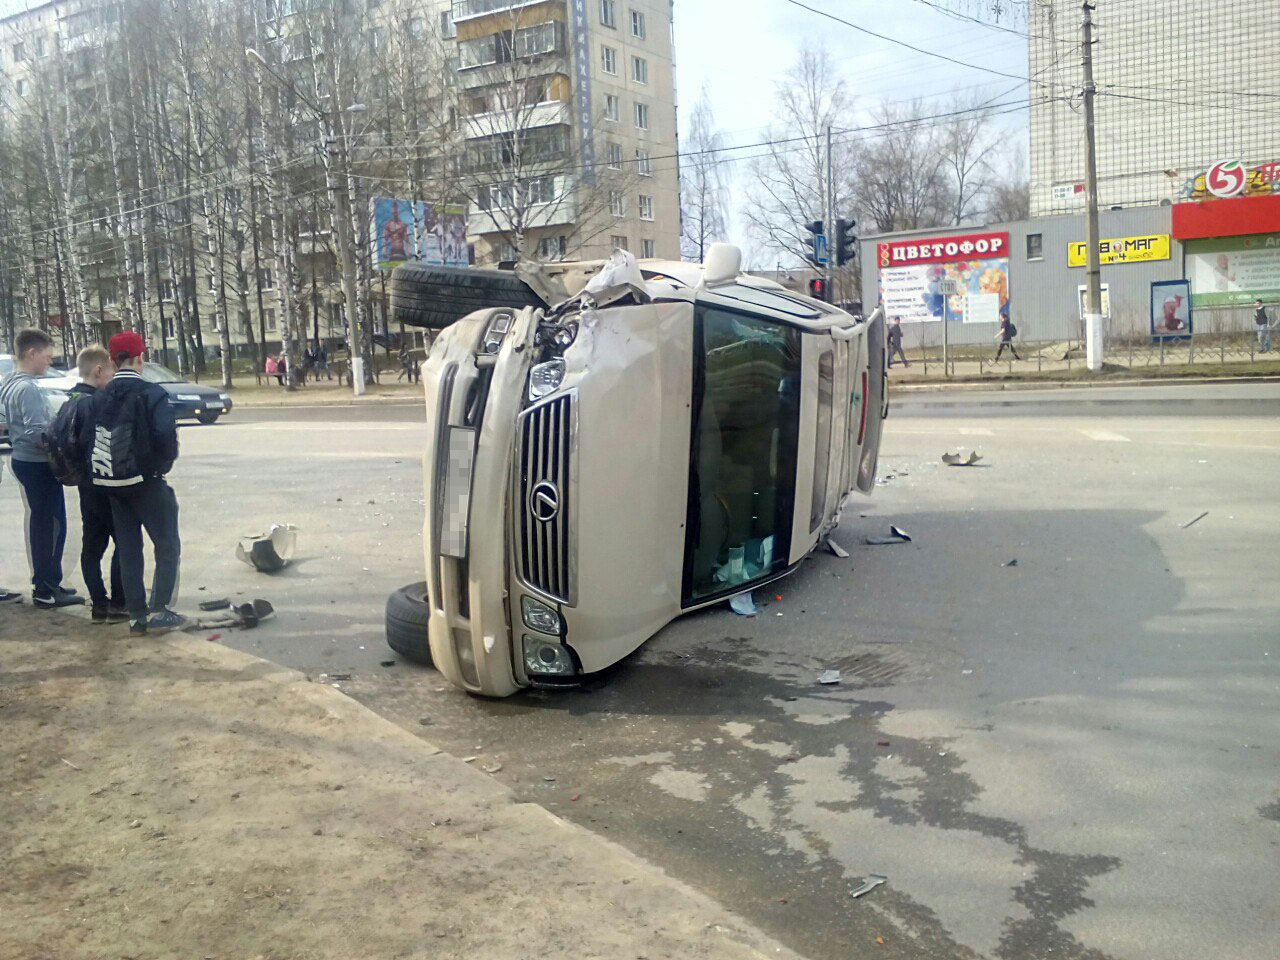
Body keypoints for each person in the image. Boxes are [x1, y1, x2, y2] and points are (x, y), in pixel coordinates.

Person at [91, 332, 184, 634]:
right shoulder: (152, 393)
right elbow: (166, 438)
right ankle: (161, 609)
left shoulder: (101, 395)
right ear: (140, 357)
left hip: (114, 485)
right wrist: (160, 467)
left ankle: (136, 617)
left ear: (112, 360)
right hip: (148, 483)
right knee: (166, 544)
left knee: (130, 549)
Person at [0, 328, 81, 608]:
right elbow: (38, 435)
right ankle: (46, 589)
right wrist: (64, 446)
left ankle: (50, 583)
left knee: (45, 523)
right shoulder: (28, 388)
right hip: (36, 465)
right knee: (51, 525)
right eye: (47, 357)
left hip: (23, 461)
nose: (50, 362)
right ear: (31, 354)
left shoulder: (10, 383)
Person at [50, 345, 127, 623]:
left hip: (85, 486)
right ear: (98, 371)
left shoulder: (68, 401)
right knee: (124, 542)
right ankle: (119, 603)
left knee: (92, 547)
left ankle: (99, 604)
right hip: (106, 483)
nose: (112, 377)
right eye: (110, 372)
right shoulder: (97, 404)